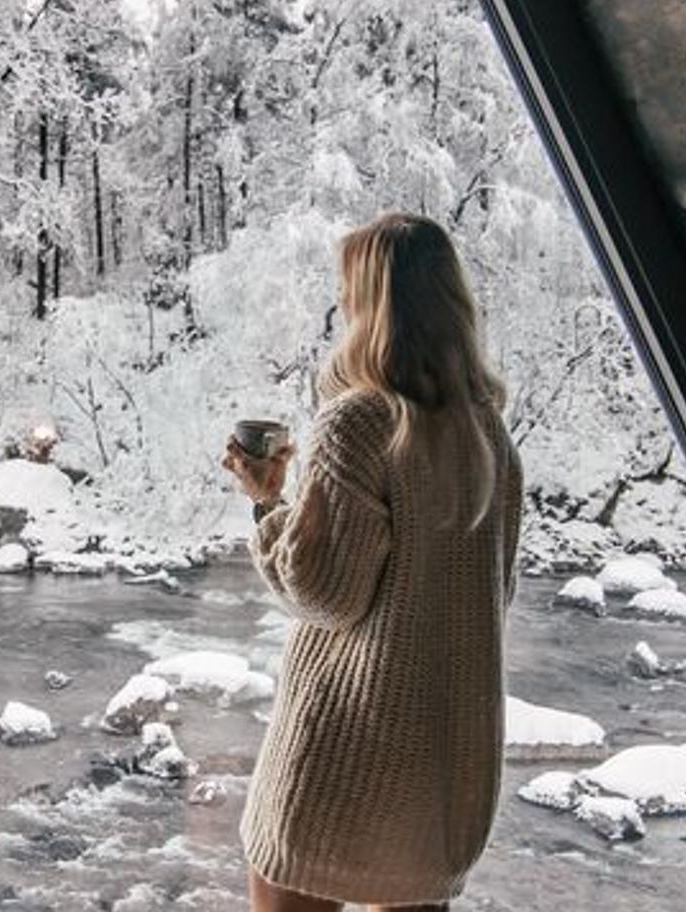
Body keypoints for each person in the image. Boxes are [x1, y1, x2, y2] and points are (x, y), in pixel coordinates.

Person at [223, 212, 522, 911]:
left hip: (344, 756)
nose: (343, 304)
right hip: (444, 766)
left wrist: (268, 506)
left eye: (349, 290)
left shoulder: (359, 420)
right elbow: (492, 594)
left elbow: (324, 595)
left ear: (374, 303)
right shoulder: (489, 434)